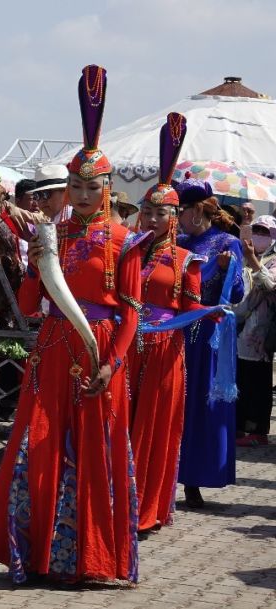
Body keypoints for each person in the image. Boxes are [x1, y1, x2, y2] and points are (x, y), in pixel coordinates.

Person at [0, 65, 144, 584]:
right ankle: (37, 554)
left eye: (89, 185)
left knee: (93, 451)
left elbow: (131, 312)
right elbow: (30, 304)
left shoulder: (124, 241)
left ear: (107, 186)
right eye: (73, 184)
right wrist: (33, 265)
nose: (80, 192)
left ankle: (90, 559)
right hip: (52, 350)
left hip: (97, 353)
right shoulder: (53, 233)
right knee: (40, 445)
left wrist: (113, 363)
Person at [126, 113, 207, 536]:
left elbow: (191, 312)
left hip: (162, 354)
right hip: (123, 349)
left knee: (153, 430)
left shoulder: (186, 261)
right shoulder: (127, 252)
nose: (150, 219)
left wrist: (201, 316)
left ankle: (146, 508)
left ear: (173, 217)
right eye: (145, 211)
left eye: (159, 213)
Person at [176, 180, 244, 508]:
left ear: (198, 209)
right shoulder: (177, 241)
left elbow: (239, 293)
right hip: (175, 331)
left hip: (207, 336)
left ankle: (194, 478)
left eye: (181, 210)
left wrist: (225, 269)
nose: (177, 217)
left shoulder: (226, 243)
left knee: (201, 406)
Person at [235, 214, 276, 447]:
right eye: (256, 229)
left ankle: (258, 428)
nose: (260, 235)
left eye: (265, 231)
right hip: (237, 328)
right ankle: (240, 426)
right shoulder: (241, 255)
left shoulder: (272, 260)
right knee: (241, 379)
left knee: (258, 382)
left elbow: (269, 285)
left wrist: (252, 259)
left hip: (260, 333)